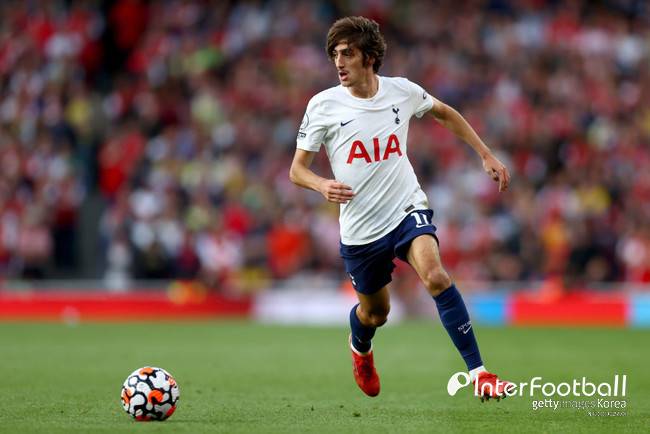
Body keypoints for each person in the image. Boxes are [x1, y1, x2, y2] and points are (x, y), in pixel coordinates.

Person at [289, 16, 512, 400]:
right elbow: (297, 170)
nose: (339, 62)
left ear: (369, 57)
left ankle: (479, 373)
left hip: (406, 209)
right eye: (334, 55)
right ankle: (360, 347)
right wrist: (322, 184)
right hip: (361, 228)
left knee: (436, 276)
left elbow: (444, 112)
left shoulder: (402, 91)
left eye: (347, 53)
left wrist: (485, 153)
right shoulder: (323, 105)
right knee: (376, 314)